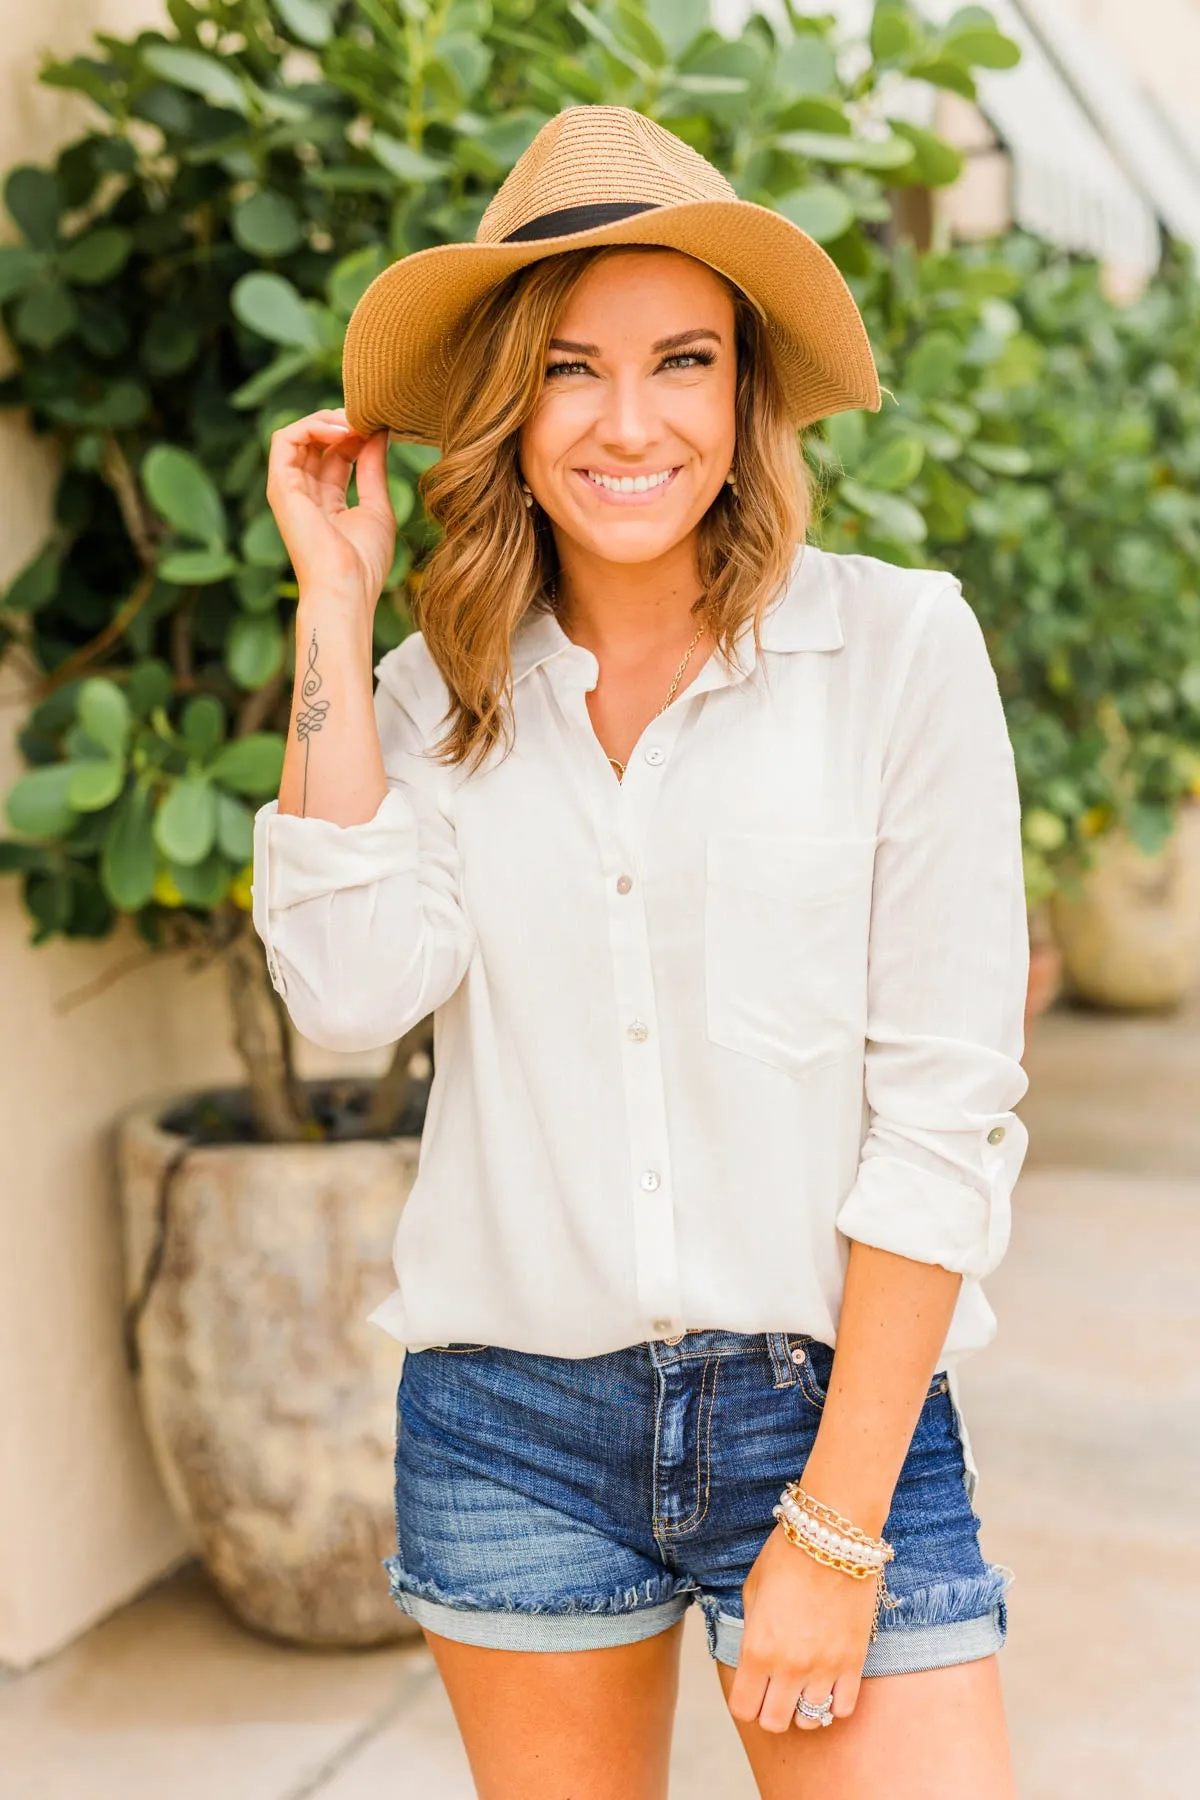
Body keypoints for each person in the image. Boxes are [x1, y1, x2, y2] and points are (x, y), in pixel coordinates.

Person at [253, 106, 1029, 1800]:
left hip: (826, 1418)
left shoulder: (896, 652)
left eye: (681, 360)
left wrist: (832, 1526)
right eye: (569, 369)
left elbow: (945, 1115)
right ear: (508, 409)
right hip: (512, 1429)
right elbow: (346, 996)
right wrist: (334, 600)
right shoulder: (423, 708)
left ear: (745, 395)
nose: (627, 423)